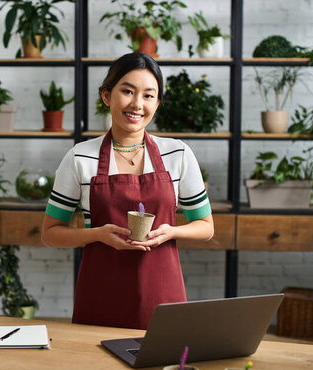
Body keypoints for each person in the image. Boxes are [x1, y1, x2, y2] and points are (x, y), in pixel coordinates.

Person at [41, 53, 214, 330]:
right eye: (127, 91)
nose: (137, 104)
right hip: (101, 296)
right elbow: (50, 233)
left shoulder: (178, 154)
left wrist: (172, 231)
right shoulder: (79, 158)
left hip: (162, 296)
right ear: (107, 96)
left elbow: (206, 227)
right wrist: (98, 235)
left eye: (148, 96)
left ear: (157, 104)